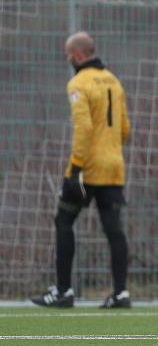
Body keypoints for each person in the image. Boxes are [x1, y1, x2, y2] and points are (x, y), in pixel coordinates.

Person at [31, 32, 132, 309]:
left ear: (77, 55)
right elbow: (125, 129)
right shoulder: (114, 81)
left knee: (64, 221)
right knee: (114, 230)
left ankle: (64, 292)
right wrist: (109, 147)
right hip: (114, 166)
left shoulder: (78, 83)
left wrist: (76, 167)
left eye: (68, 55)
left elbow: (84, 128)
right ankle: (121, 293)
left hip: (87, 167)